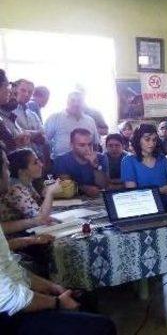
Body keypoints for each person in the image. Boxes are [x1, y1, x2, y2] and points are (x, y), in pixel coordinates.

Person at [0, 165, 116, 335]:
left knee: (86, 296)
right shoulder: (16, 188)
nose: (8, 170)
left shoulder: (27, 185)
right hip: (8, 316)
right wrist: (56, 302)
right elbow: (10, 298)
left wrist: (54, 287)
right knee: (104, 326)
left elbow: (13, 270)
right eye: (5, 165)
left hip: (16, 297)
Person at [121, 124, 167, 215]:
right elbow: (133, 193)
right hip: (144, 210)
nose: (152, 143)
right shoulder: (129, 161)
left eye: (154, 140)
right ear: (138, 140)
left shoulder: (162, 159)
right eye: (147, 139)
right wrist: (160, 190)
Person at [1, 148, 60, 235]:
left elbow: (38, 207)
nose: (41, 164)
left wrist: (45, 194)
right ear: (22, 171)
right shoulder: (15, 188)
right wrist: (50, 193)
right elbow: (41, 218)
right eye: (35, 163)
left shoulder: (27, 183)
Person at [52, 128, 108, 198]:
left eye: (90, 144)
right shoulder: (61, 160)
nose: (87, 148)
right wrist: (84, 188)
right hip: (71, 200)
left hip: (97, 200)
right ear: (71, 145)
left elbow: (103, 185)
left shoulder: (101, 158)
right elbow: (67, 187)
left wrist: (95, 166)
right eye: (82, 145)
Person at [44, 91, 99, 158]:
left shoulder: (90, 120)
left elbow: (95, 143)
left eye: (79, 101)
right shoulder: (55, 117)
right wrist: (47, 161)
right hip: (60, 163)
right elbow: (44, 141)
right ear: (67, 102)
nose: (76, 104)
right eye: (73, 100)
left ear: (83, 103)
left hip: (85, 164)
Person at [0, 81, 29, 152]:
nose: (13, 97)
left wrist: (17, 143)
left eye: (15, 94)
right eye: (10, 94)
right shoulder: (1, 119)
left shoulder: (12, 118)